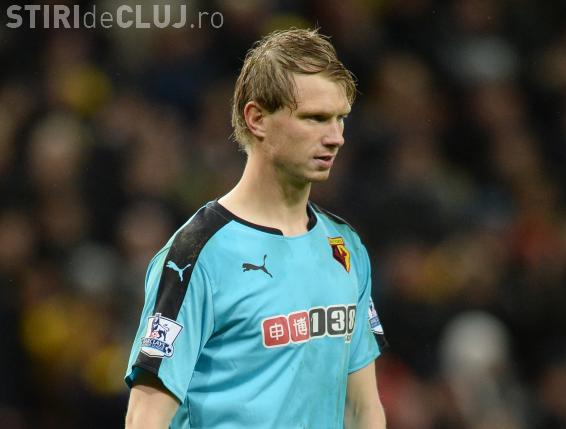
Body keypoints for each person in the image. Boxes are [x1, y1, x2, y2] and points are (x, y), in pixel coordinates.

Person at [124, 28, 387, 428]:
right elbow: (145, 417)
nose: (336, 138)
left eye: (340, 119)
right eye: (315, 118)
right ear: (257, 118)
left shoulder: (345, 247)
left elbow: (361, 409)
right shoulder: (196, 255)